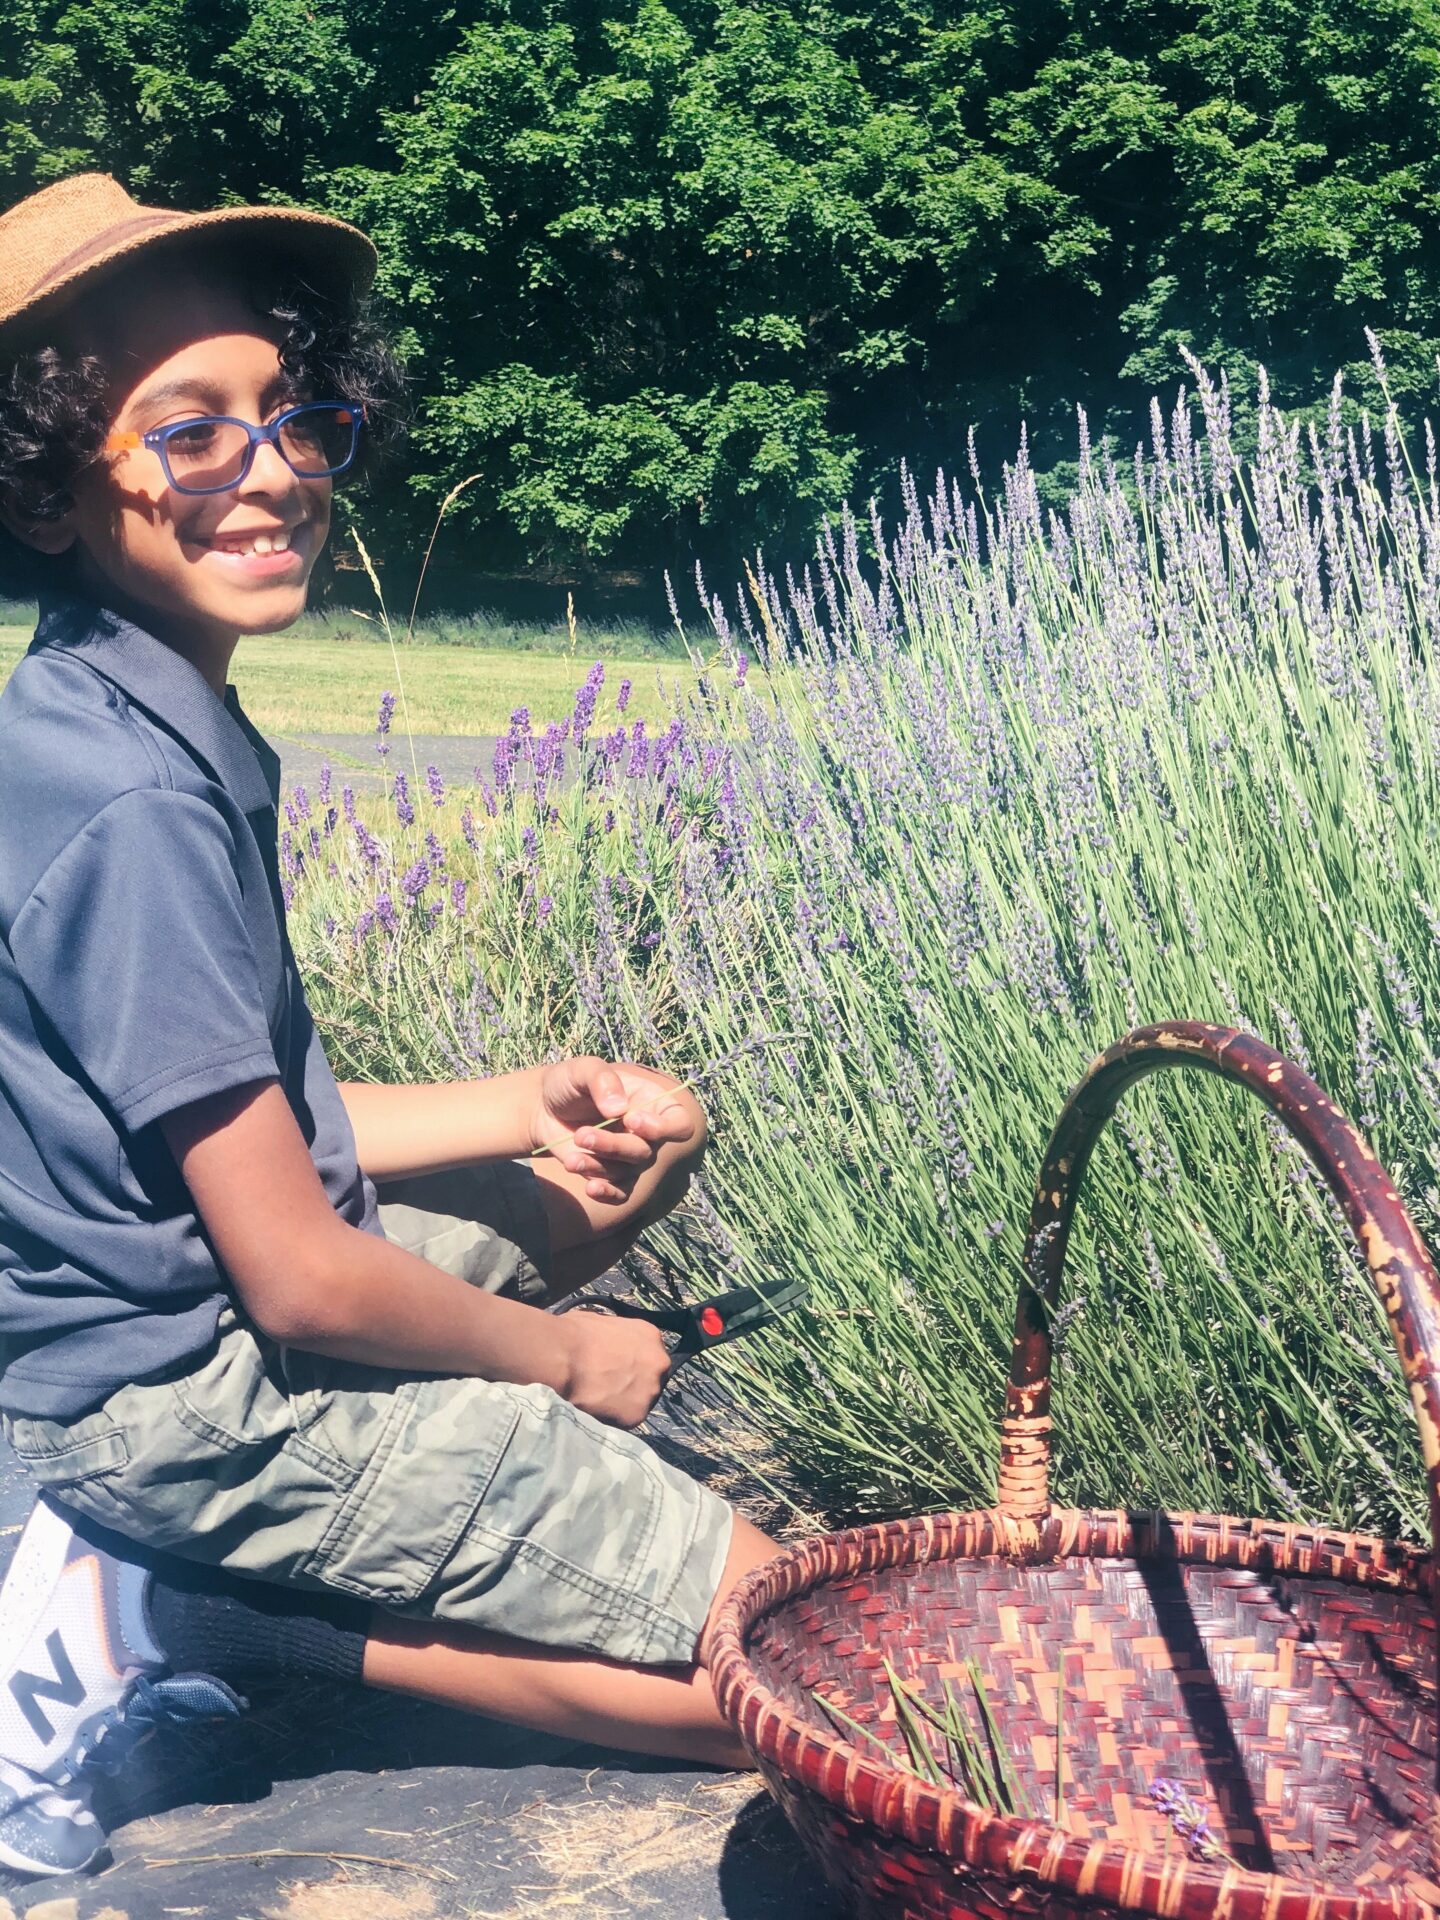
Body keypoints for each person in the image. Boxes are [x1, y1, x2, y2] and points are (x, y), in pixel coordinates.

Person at [0, 174, 774, 1876]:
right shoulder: (125, 799)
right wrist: (572, 1368)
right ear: (49, 484)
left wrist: (525, 1100)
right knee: (793, 1672)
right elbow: (300, 1277)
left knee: (616, 1163)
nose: (273, 471)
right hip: (186, 1398)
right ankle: (183, 1619)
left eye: (292, 420)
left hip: (204, 1322)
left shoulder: (123, 707)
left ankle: (236, 1563)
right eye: (187, 437)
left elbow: (248, 1124)